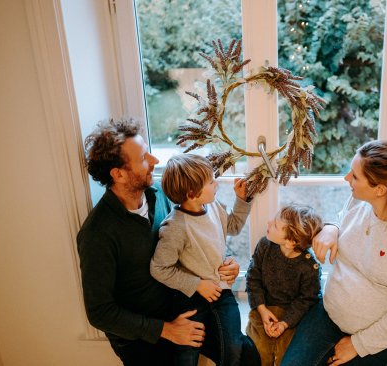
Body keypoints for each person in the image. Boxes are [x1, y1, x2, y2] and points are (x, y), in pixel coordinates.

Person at [77, 118, 240, 366]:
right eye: (143, 158)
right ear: (118, 174)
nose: (154, 161)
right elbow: (99, 312)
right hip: (144, 339)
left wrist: (225, 265)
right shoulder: (98, 233)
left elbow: (199, 236)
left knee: (245, 354)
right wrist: (167, 330)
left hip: (184, 305)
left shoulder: (161, 196)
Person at [281, 140, 387, 366]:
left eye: (355, 176)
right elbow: (341, 216)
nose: (347, 179)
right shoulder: (359, 202)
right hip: (329, 316)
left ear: (380, 189)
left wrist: (358, 344)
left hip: (381, 338)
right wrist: (331, 228)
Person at [150, 153, 259, 366]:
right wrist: (198, 285)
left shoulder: (213, 207)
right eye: (210, 181)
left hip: (221, 292)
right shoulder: (175, 227)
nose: (215, 183)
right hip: (189, 296)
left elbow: (233, 227)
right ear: (192, 193)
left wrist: (242, 200)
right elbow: (159, 268)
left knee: (234, 349)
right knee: (187, 353)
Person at [246, 205, 323, 366]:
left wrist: (284, 323)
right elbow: (253, 278)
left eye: (274, 224)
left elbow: (307, 300)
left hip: (292, 315)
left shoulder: (309, 267)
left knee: (286, 355)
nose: (268, 223)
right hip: (263, 307)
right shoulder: (265, 246)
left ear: (290, 242)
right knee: (259, 353)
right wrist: (261, 309)